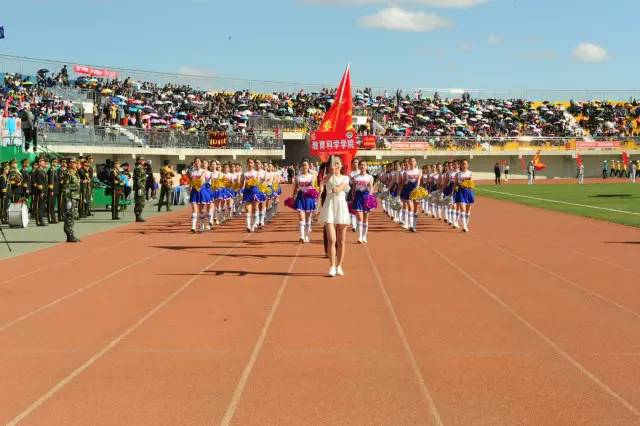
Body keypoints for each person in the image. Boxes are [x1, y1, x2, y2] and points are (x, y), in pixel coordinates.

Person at [318, 155, 351, 277]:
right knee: (332, 239)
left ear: (341, 166)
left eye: (338, 164)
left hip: (341, 208)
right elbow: (321, 185)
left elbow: (340, 188)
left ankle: (339, 266)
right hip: (329, 208)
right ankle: (332, 266)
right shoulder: (327, 177)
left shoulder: (346, 178)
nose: (336, 166)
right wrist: (321, 188)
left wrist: (335, 189)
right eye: (334, 164)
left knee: (341, 241)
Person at [292, 159, 317, 243]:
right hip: (300, 197)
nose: (304, 167)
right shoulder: (298, 177)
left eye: (306, 165)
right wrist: (293, 197)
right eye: (303, 165)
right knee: (301, 217)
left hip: (309, 198)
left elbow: (313, 187)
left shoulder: (311, 176)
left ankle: (306, 235)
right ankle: (301, 236)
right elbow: (295, 188)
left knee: (308, 218)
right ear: (301, 167)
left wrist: (315, 199)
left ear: (308, 166)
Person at [352, 160, 374, 243]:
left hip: (366, 197)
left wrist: (370, 198)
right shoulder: (355, 177)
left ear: (366, 167)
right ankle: (360, 237)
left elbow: (371, 187)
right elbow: (354, 188)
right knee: (359, 218)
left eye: (364, 165)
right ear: (359, 166)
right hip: (358, 197)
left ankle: (364, 236)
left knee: (365, 218)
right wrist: (353, 197)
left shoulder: (370, 177)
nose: (362, 166)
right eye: (361, 165)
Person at [60, 158, 81, 243]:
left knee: (72, 216)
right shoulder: (68, 173)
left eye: (76, 163)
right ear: (69, 164)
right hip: (70, 197)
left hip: (75, 196)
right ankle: (69, 234)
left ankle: (71, 234)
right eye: (74, 163)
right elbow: (65, 187)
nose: (76, 164)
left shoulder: (75, 172)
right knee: (69, 216)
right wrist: (68, 199)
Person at [453, 159, 475, 233]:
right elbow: (455, 184)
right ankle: (464, 226)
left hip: (468, 192)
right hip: (460, 192)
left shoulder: (470, 173)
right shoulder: (458, 174)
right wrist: (454, 192)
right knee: (463, 209)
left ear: (467, 165)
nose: (464, 165)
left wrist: (466, 184)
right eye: (463, 164)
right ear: (461, 165)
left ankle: (465, 224)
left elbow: (471, 182)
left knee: (468, 210)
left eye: (465, 164)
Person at [31, 157, 48, 226]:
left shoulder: (43, 171)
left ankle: (41, 220)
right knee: (38, 206)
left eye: (44, 161)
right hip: (39, 192)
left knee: (42, 206)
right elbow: (39, 182)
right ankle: (38, 221)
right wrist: (41, 191)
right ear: (39, 163)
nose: (44, 162)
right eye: (42, 161)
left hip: (44, 191)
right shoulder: (37, 171)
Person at [133, 156, 147, 222]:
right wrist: (139, 188)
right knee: (139, 202)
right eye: (142, 160)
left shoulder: (142, 168)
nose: (143, 161)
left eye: (144, 160)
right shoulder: (138, 168)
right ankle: (138, 215)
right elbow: (137, 179)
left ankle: (139, 215)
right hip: (140, 187)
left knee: (142, 202)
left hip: (142, 186)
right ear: (138, 161)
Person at [48, 158, 60, 224]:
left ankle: (53, 218)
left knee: (53, 204)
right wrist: (51, 190)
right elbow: (51, 181)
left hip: (55, 189)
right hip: (53, 190)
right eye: (55, 162)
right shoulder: (52, 170)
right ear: (52, 163)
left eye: (56, 162)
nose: (56, 163)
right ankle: (51, 218)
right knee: (51, 204)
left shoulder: (55, 170)